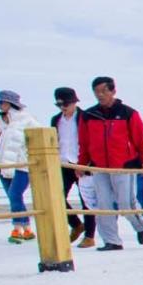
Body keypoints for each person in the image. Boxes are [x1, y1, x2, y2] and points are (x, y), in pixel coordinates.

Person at [77, 75, 143, 250]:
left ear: (113, 91)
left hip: (124, 165)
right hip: (99, 166)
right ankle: (112, 241)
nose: (100, 95)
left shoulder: (128, 113)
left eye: (104, 91)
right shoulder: (88, 115)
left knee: (126, 203)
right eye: (96, 91)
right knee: (103, 205)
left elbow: (141, 139)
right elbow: (84, 143)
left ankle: (142, 227)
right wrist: (82, 164)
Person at [0, 89, 42, 242]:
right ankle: (25, 229)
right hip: (2, 164)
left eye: (2, 102)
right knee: (12, 196)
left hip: (21, 164)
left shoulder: (27, 119)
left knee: (14, 194)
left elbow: (40, 135)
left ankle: (18, 228)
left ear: (10, 103)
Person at [52, 86, 95, 248]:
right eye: (60, 104)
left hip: (83, 163)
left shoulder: (85, 117)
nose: (63, 107)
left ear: (74, 102)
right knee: (56, 196)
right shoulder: (55, 120)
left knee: (87, 200)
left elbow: (91, 142)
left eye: (66, 104)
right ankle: (76, 224)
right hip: (64, 163)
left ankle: (90, 236)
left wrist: (85, 164)